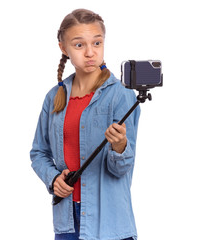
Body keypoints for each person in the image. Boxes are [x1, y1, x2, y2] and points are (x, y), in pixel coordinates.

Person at [30, 9, 140, 240]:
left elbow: (121, 169)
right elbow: (39, 152)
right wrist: (53, 178)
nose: (90, 53)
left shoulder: (121, 96)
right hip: (67, 220)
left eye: (97, 43)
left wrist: (120, 145)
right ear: (63, 47)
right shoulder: (54, 97)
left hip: (110, 223)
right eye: (79, 45)